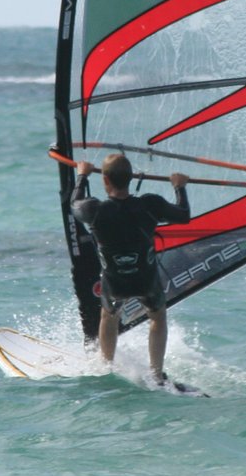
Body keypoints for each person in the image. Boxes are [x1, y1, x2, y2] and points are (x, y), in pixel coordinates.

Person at [71, 152, 190, 388]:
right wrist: (179, 187)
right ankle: (156, 373)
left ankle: (106, 366)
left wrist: (82, 176)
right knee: (157, 317)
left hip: (115, 283)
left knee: (109, 315)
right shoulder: (150, 205)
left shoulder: (95, 210)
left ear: (105, 180)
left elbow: (74, 204)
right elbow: (184, 216)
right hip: (146, 280)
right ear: (132, 177)